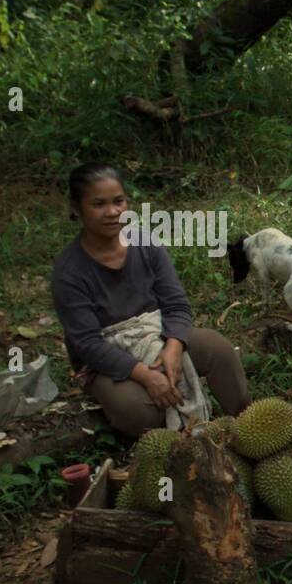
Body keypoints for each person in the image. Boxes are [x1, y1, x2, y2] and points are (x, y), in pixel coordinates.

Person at [51, 163, 251, 437]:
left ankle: (246, 430)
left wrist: (173, 346)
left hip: (156, 332)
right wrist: (145, 375)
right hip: (107, 357)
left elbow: (176, 304)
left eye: (118, 201)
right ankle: (176, 447)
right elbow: (87, 344)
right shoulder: (70, 271)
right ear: (76, 208)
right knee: (138, 410)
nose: (112, 212)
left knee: (219, 350)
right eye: (98, 204)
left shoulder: (145, 244)